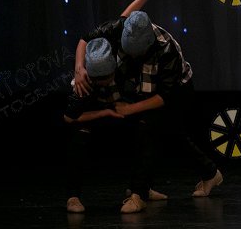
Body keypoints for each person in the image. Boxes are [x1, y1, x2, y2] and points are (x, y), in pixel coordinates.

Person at [75, 0, 223, 213]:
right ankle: (206, 173)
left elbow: (164, 96)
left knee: (153, 128)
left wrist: (129, 109)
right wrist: (79, 68)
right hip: (142, 87)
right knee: (162, 133)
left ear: (147, 46)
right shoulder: (123, 27)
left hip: (178, 91)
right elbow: (86, 38)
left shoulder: (166, 49)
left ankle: (139, 194)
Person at [63, 37, 168, 213]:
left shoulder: (122, 69)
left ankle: (141, 189)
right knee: (79, 136)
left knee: (146, 127)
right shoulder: (83, 84)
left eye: (107, 76)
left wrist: (128, 109)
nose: (105, 81)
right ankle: (73, 197)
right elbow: (68, 117)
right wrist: (104, 113)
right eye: (100, 79)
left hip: (119, 111)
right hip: (95, 117)